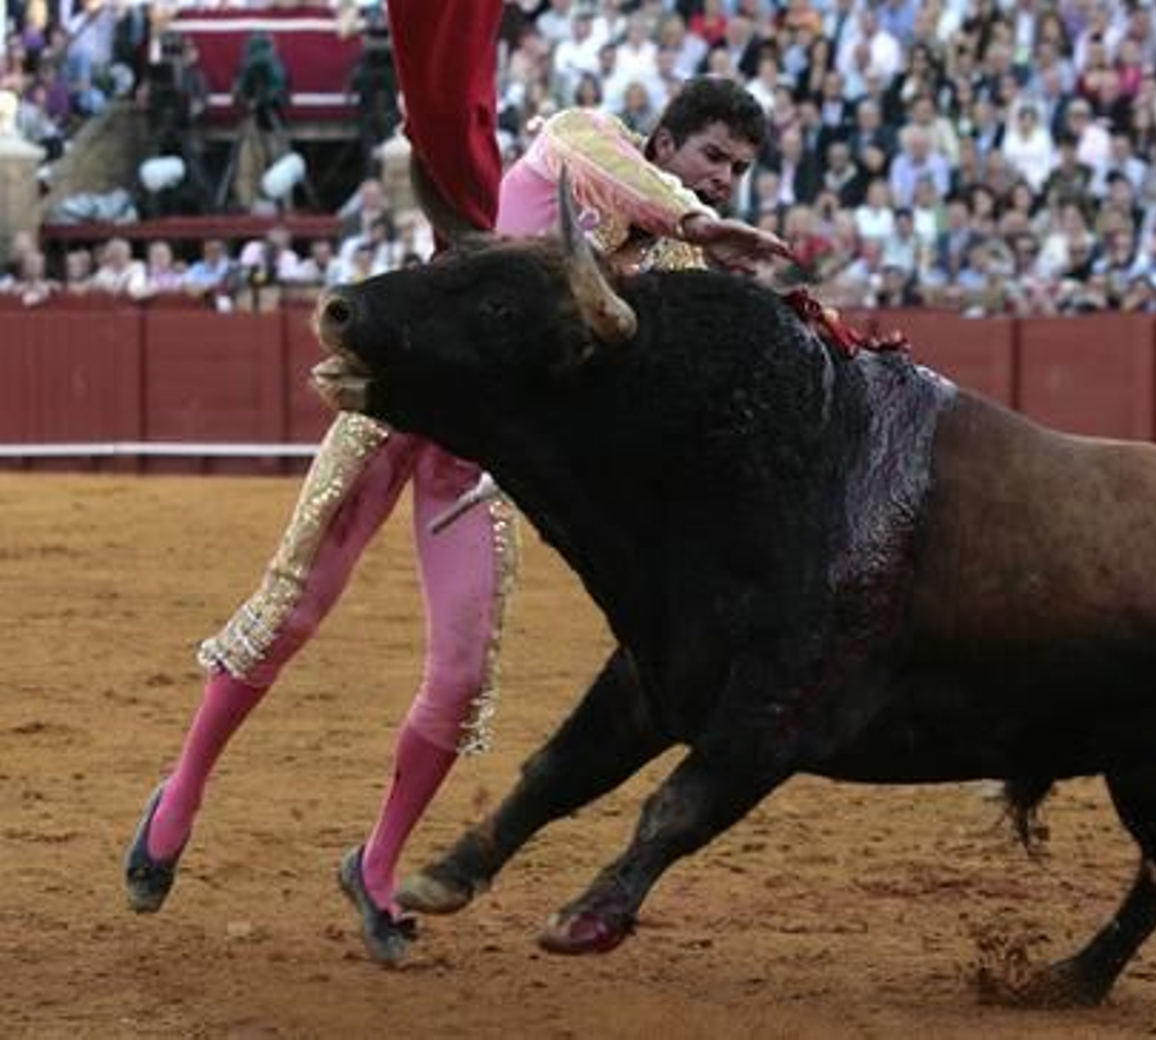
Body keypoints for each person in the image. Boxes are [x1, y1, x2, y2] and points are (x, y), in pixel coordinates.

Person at [123, 0, 787, 970]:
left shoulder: (686, 268)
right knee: (292, 604)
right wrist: (690, 215)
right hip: (408, 379)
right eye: (713, 155)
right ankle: (178, 793)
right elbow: (602, 171)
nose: (722, 178)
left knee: (464, 671)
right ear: (667, 139)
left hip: (480, 456)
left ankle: (377, 865)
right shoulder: (588, 140)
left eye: (736, 170)